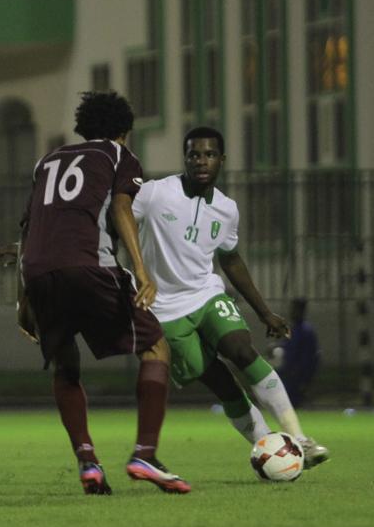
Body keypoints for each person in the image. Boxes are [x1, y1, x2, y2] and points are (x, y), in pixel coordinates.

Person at [16, 91, 190, 495]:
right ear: (124, 131)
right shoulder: (117, 155)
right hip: (88, 264)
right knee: (156, 347)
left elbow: (28, 227)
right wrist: (142, 272)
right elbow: (121, 208)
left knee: (65, 364)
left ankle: (88, 462)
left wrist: (24, 298)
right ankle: (145, 453)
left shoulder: (47, 161)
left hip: (38, 272)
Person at [131, 127, 329, 468]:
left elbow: (231, 259)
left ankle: (300, 439)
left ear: (221, 160)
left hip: (206, 294)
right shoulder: (155, 194)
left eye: (209, 154)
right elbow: (117, 216)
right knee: (222, 383)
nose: (201, 161)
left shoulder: (226, 209)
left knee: (241, 349)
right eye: (194, 154)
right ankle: (272, 449)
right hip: (164, 311)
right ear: (185, 159)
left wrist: (265, 312)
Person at [274, 298, 320, 407]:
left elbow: (310, 356)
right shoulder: (294, 329)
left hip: (298, 375)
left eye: (295, 309)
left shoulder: (305, 330)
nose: (292, 312)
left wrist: (306, 376)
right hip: (288, 374)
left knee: (294, 402)